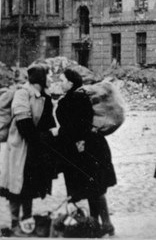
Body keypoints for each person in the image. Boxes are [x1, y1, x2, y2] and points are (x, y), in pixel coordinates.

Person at [56, 68, 117, 236]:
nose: (60, 83)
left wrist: (79, 141)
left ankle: (98, 224)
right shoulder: (74, 97)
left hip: (83, 149)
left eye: (62, 80)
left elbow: (82, 121)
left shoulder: (76, 98)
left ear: (70, 82)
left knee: (92, 187)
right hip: (85, 147)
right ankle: (102, 223)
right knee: (94, 187)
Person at [0, 63, 56, 237]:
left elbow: (48, 123)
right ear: (41, 78)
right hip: (21, 147)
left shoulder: (43, 97)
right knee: (16, 186)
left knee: (29, 186)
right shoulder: (23, 94)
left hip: (34, 149)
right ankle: (15, 222)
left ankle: (27, 220)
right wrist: (41, 140)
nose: (50, 79)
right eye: (48, 76)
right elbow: (24, 124)